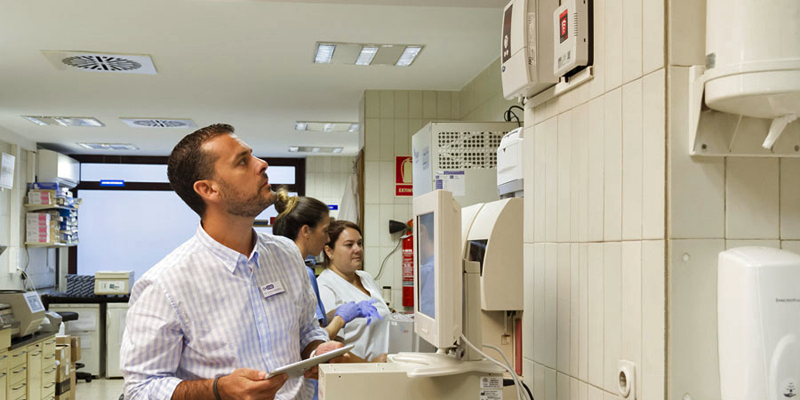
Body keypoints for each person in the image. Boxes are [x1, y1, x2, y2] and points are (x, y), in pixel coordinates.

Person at [120, 124, 344, 400]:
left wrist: (316, 349)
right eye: (243, 161)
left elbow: (307, 329)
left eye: (253, 155)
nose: (262, 164)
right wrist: (217, 389)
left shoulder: (286, 255)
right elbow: (140, 389)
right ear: (208, 189)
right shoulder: (164, 285)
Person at [271, 189, 380, 341]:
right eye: (325, 231)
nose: (328, 238)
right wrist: (340, 319)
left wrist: (334, 313)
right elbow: (312, 340)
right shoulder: (302, 273)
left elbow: (307, 324)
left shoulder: (281, 267)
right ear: (306, 231)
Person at [318, 220, 391, 362]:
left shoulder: (366, 278)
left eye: (359, 243)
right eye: (349, 245)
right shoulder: (325, 287)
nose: (357, 249)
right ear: (329, 251)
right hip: (354, 374)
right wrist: (369, 366)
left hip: (381, 371)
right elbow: (332, 350)